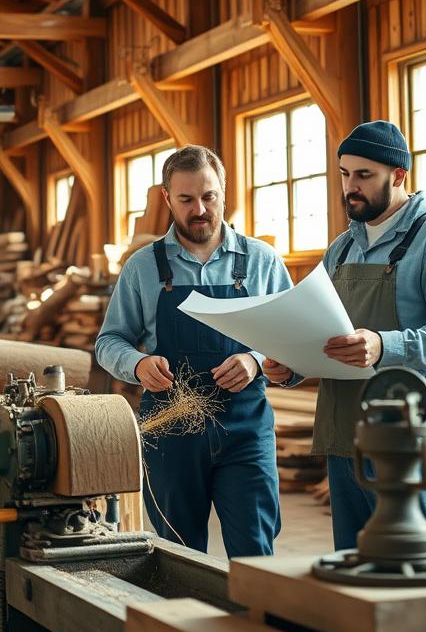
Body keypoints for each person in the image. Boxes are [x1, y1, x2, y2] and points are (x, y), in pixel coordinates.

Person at [263, 120, 426, 550]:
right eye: (345, 174)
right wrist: (287, 366)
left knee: (420, 557)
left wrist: (384, 345)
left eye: (364, 175)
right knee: (354, 560)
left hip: (408, 427)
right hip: (346, 427)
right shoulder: (341, 249)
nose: (351, 186)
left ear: (398, 176)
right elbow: (315, 331)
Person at [95, 145, 295, 557]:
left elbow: (293, 342)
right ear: (168, 198)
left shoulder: (262, 262)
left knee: (255, 549)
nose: (200, 209)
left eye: (209, 197)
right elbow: (108, 342)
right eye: (186, 199)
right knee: (179, 554)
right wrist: (137, 363)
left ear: (224, 192)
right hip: (171, 429)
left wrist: (255, 361)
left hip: (245, 427)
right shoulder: (142, 268)